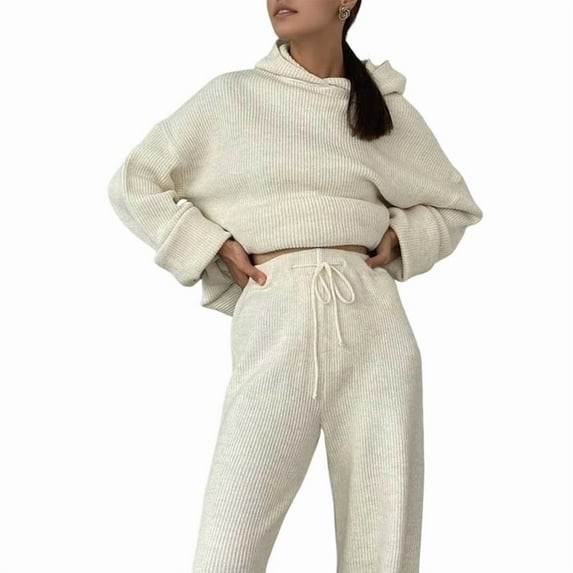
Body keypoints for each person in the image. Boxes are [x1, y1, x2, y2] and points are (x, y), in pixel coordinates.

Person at [107, 1, 483, 571]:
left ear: (346, 1)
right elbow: (134, 181)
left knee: (382, 542)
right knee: (227, 548)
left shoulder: (379, 107)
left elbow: (455, 206)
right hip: (275, 307)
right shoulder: (232, 96)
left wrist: (401, 237)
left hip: (373, 319)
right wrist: (211, 244)